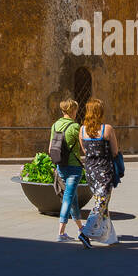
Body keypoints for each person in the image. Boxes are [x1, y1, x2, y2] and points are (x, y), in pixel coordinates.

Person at [78, 98, 120, 247]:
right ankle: (85, 232)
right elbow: (115, 151)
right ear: (100, 112)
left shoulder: (82, 130)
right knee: (101, 202)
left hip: (90, 171)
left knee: (102, 202)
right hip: (104, 171)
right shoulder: (107, 129)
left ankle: (109, 236)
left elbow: (84, 150)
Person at [49, 98, 85, 243]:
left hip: (60, 166)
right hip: (74, 167)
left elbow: (50, 148)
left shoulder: (55, 125)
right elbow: (83, 147)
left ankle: (81, 228)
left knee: (73, 199)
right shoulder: (75, 127)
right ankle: (61, 232)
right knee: (68, 199)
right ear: (72, 110)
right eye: (76, 109)